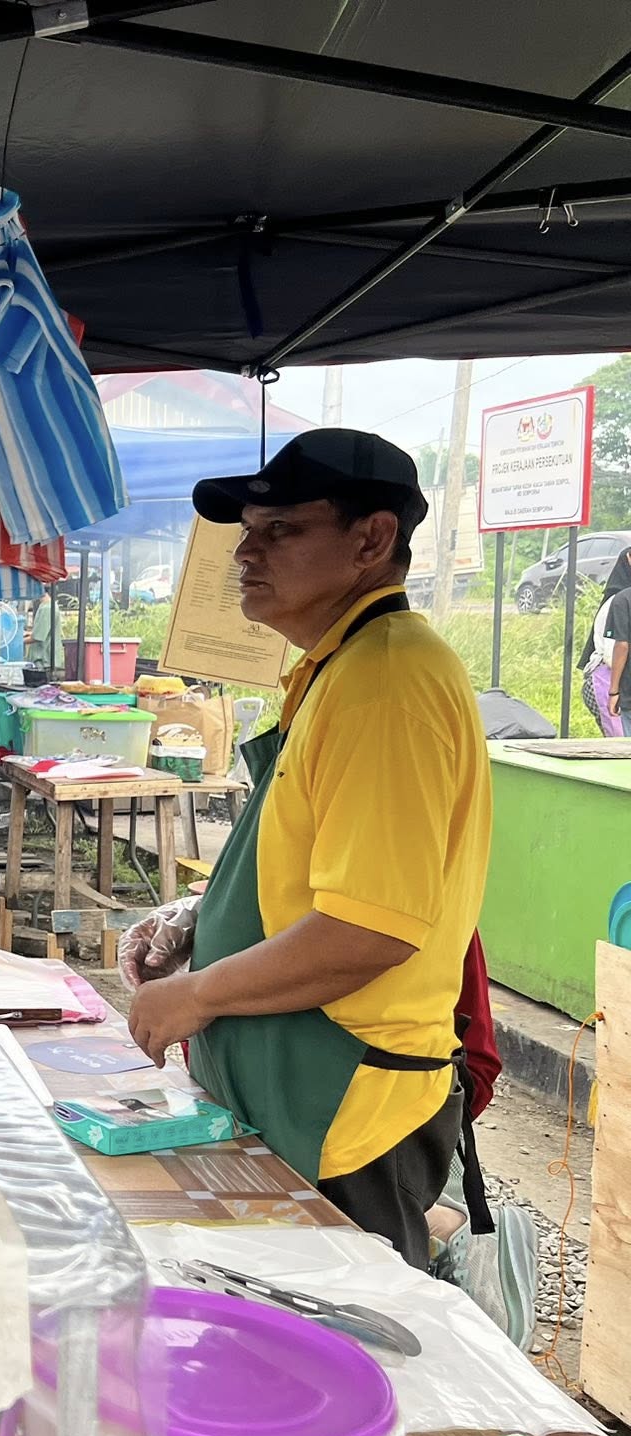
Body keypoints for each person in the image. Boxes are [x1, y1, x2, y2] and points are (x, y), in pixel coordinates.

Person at [123, 429, 491, 1271]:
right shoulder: (337, 667)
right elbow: (324, 868)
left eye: (282, 529)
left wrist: (196, 995)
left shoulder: (386, 682)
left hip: (344, 1102)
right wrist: (204, 918)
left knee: (337, 1327)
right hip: (296, 1083)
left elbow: (369, 929)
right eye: (248, 531)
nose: (245, 553)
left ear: (371, 540)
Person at [580, 547, 631, 736]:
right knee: (619, 744)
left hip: (621, 686)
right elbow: (614, 651)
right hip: (607, 681)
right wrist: (614, 691)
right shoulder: (618, 601)